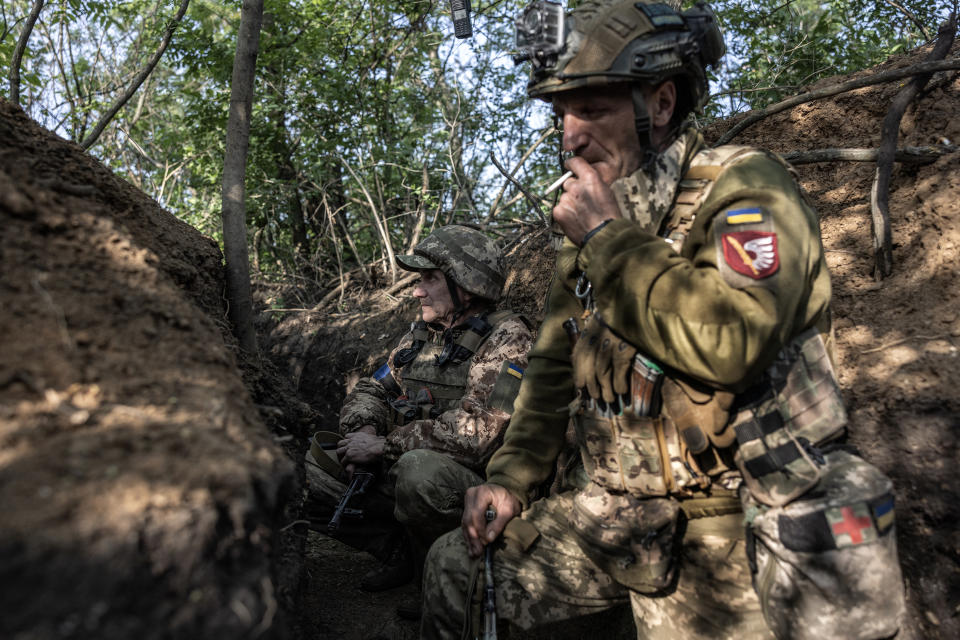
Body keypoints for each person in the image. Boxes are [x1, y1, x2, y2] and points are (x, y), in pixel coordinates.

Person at [421, 2, 904, 639]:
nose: (570, 137)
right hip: (616, 515)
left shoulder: (743, 191)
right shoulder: (597, 227)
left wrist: (603, 235)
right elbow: (549, 369)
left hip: (728, 528)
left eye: (591, 110)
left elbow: (733, 340)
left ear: (663, 103)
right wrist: (509, 478)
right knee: (459, 569)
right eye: (561, 115)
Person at [305, 225, 534, 605]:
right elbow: (373, 389)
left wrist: (382, 445)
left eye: (430, 279)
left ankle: (448, 578)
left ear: (468, 285)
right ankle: (399, 552)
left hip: (474, 486)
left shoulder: (507, 339)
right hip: (401, 462)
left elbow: (477, 434)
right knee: (316, 464)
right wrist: (362, 429)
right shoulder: (420, 337)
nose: (416, 290)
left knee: (418, 472)